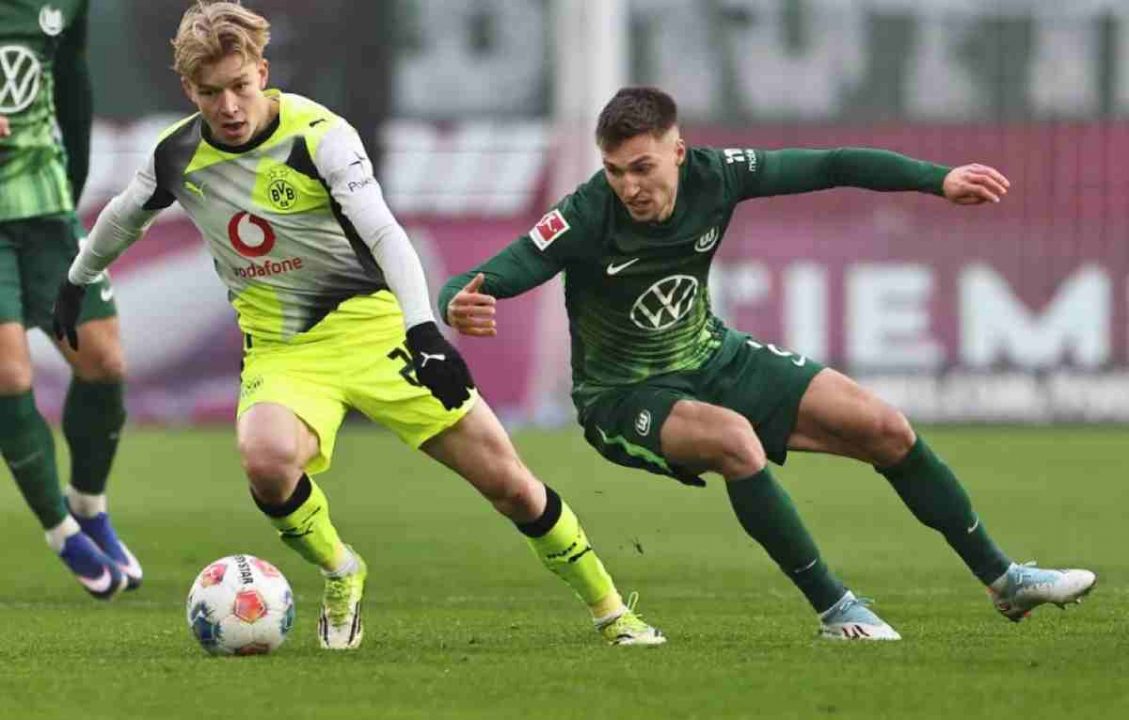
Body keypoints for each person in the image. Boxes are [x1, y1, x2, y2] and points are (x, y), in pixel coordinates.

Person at [54, 1, 662, 650]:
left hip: (377, 332)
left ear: (262, 72)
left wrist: (423, 332)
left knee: (510, 486)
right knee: (266, 461)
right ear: (188, 89)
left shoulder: (320, 137)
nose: (228, 106)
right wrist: (75, 280)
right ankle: (341, 569)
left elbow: (384, 234)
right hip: (284, 351)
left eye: (239, 86)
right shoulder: (178, 153)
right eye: (210, 93)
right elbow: (123, 216)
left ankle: (611, 612)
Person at [439, 86, 1097, 640]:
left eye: (642, 167)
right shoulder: (586, 214)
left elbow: (833, 164)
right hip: (621, 397)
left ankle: (1004, 579)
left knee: (885, 428)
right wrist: (456, 302)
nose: (630, 187)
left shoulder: (719, 174)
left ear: (677, 150)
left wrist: (938, 180)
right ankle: (836, 610)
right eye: (615, 171)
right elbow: (486, 275)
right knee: (735, 441)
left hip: (712, 355)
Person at [0, 0, 140, 600]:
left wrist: (72, 189)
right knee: (9, 372)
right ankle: (60, 530)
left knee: (104, 361)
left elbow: (72, 78)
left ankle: (88, 504)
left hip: (44, 203)